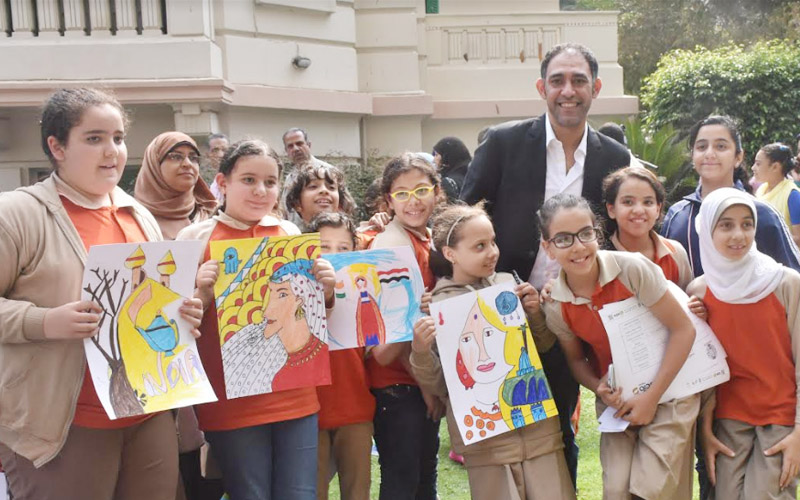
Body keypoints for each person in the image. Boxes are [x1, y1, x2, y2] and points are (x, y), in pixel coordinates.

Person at [0, 88, 204, 499]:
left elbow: (150, 301)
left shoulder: (138, 214)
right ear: (57, 147)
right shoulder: (17, 213)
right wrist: (45, 321)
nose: (112, 151)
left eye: (118, 138)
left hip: (146, 414)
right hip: (64, 426)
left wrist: (184, 313)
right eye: (94, 138)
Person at [460, 42, 631, 484]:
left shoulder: (614, 157)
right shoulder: (504, 143)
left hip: (569, 318)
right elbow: (462, 217)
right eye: (558, 80)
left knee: (558, 432)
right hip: (501, 312)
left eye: (578, 81)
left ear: (595, 88)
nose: (567, 91)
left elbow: (622, 232)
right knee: (502, 436)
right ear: (542, 88)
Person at [177, 139, 335, 500]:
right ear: (223, 182)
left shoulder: (289, 234)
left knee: (300, 494)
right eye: (248, 180)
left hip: (296, 397)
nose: (260, 191)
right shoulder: (195, 238)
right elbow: (177, 328)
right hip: (230, 405)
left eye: (270, 182)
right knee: (250, 493)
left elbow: (314, 318)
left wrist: (325, 291)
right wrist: (202, 293)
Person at [410, 203, 576, 500]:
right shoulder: (439, 308)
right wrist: (420, 351)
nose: (492, 252)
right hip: (487, 445)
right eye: (479, 246)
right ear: (450, 253)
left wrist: (535, 313)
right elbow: (440, 385)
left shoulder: (508, 285)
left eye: (493, 242)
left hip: (539, 432)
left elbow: (543, 347)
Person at [540, 193, 699, 500]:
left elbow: (683, 330)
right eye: (563, 239)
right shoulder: (556, 305)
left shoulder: (632, 270)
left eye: (585, 233)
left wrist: (651, 398)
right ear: (548, 247)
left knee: (650, 489)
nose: (578, 246)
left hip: (670, 389)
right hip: (618, 400)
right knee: (615, 490)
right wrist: (598, 387)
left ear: (597, 232)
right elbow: (577, 362)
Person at [687, 188, 800, 499]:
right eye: (726, 225)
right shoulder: (699, 292)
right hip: (728, 419)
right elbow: (703, 370)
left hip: (782, 417)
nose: (739, 234)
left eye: (747, 224)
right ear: (707, 230)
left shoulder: (785, 283)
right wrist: (706, 433)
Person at [134, 131, 223, 500]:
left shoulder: (215, 218)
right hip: (165, 354)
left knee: (219, 466)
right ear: (154, 166)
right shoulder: (134, 221)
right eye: (174, 156)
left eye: (192, 156)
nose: (187, 164)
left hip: (216, 352)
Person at [368, 153, 444, 500]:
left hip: (416, 378)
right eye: (402, 194)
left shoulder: (426, 238)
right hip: (398, 384)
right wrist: (426, 385)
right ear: (389, 200)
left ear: (437, 192)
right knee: (403, 480)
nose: (413, 201)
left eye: (421, 190)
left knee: (424, 476)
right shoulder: (392, 244)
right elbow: (392, 329)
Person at [661, 116, 800, 278]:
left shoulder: (764, 214)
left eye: (720, 146)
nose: (709, 154)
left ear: (738, 157)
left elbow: (792, 277)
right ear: (692, 156)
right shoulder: (677, 216)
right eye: (701, 147)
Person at [308, 212, 375, 500]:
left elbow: (378, 350)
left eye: (343, 248)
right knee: (312, 491)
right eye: (323, 247)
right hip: (309, 412)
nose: (332, 255)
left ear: (355, 250)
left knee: (358, 491)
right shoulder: (293, 292)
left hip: (355, 407)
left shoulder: (365, 291)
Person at [603, 166, 692, 289]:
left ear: (658, 209)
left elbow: (686, 298)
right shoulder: (600, 259)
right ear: (611, 209)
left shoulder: (675, 253)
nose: (639, 210)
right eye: (628, 202)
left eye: (648, 202)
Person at [134, 132, 218, 240]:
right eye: (176, 157)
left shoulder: (213, 215)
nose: (187, 164)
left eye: (193, 158)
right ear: (154, 164)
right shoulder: (133, 218)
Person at [283, 163, 356, 232]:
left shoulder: (354, 238)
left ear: (339, 203)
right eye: (313, 186)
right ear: (297, 203)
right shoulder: (289, 237)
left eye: (331, 187)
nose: (324, 190)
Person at [752, 143, 800, 247]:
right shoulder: (761, 190)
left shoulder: (793, 195)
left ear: (775, 167)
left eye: (758, 164)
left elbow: (798, 238)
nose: (753, 168)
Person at [431, 136, 471, 202]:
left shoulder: (448, 183)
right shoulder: (474, 177)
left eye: (436, 155)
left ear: (446, 157)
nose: (434, 160)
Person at [206, 133, 229, 203]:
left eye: (224, 150)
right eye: (215, 150)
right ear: (208, 155)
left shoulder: (236, 178)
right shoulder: (202, 182)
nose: (220, 155)